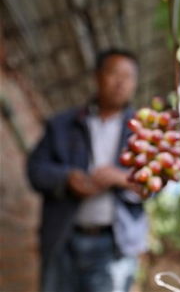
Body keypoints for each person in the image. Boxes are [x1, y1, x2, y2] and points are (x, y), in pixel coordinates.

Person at [27, 49, 147, 292]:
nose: (121, 82)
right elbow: (35, 170)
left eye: (129, 76)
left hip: (114, 246)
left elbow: (155, 185)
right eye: (114, 73)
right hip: (63, 240)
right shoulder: (62, 124)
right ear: (97, 77)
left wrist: (121, 178)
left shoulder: (143, 132)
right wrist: (66, 179)